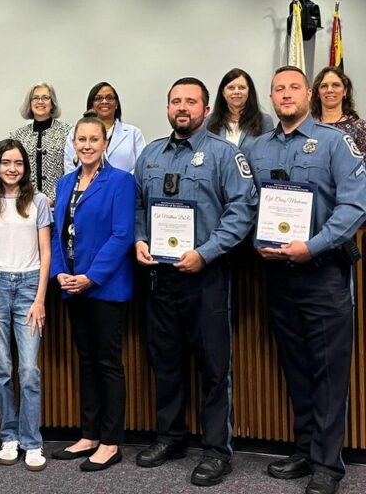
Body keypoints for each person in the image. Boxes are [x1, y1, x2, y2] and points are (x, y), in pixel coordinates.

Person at [247, 66, 366, 494]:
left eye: (293, 87)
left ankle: (327, 466)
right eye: (278, 89)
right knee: (296, 368)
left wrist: (313, 246)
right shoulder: (257, 148)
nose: (285, 94)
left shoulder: (337, 143)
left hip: (323, 274)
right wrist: (253, 241)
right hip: (278, 275)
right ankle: (305, 449)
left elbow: (354, 208)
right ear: (272, 97)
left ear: (309, 93)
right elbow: (249, 206)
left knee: (330, 372)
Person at [134, 77, 257, 486]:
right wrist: (138, 239)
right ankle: (171, 437)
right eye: (175, 101)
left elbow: (242, 210)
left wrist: (205, 252)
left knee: (213, 368)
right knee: (165, 363)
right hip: (161, 279)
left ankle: (217, 450)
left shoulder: (225, 154)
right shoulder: (151, 154)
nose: (181, 107)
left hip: (206, 278)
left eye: (190, 101)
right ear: (167, 108)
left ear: (206, 109)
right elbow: (137, 205)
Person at [50, 117, 135, 472]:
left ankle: (111, 441)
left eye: (93, 139)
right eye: (81, 139)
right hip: (72, 287)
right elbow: (56, 233)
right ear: (74, 143)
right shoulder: (65, 182)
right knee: (85, 362)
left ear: (105, 144)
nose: (86, 145)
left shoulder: (120, 182)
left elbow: (122, 235)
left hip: (105, 288)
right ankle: (89, 434)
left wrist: (91, 277)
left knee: (107, 363)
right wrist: (60, 274)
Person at [0, 139, 51, 471]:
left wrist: (40, 299)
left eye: (18, 163)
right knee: (2, 369)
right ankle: (9, 436)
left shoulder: (39, 201)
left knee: (29, 370)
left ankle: (32, 441)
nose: (12, 168)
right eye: (6, 163)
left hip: (30, 285)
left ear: (25, 168)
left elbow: (46, 252)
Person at [10, 82, 71, 205]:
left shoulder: (67, 132)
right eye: (36, 98)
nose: (40, 101)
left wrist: (53, 198)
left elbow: (71, 170)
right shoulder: (17, 135)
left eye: (45, 98)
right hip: (25, 203)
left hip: (59, 202)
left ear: (52, 103)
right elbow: (13, 170)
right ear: (30, 103)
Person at [64, 82, 145, 174]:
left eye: (109, 98)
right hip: (86, 187)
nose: (104, 102)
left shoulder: (133, 133)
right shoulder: (75, 132)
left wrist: (121, 183)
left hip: (124, 186)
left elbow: (141, 167)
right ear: (91, 104)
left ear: (116, 104)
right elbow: (70, 169)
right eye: (98, 99)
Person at [206, 68, 274, 151]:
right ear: (223, 92)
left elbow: (268, 154)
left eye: (241, 88)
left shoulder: (264, 120)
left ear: (249, 91)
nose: (236, 92)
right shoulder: (210, 121)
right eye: (231, 88)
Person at [311, 65, 366, 155]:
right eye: (324, 86)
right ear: (317, 93)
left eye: (336, 85)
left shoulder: (360, 127)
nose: (329, 90)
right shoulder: (306, 125)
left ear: (344, 91)